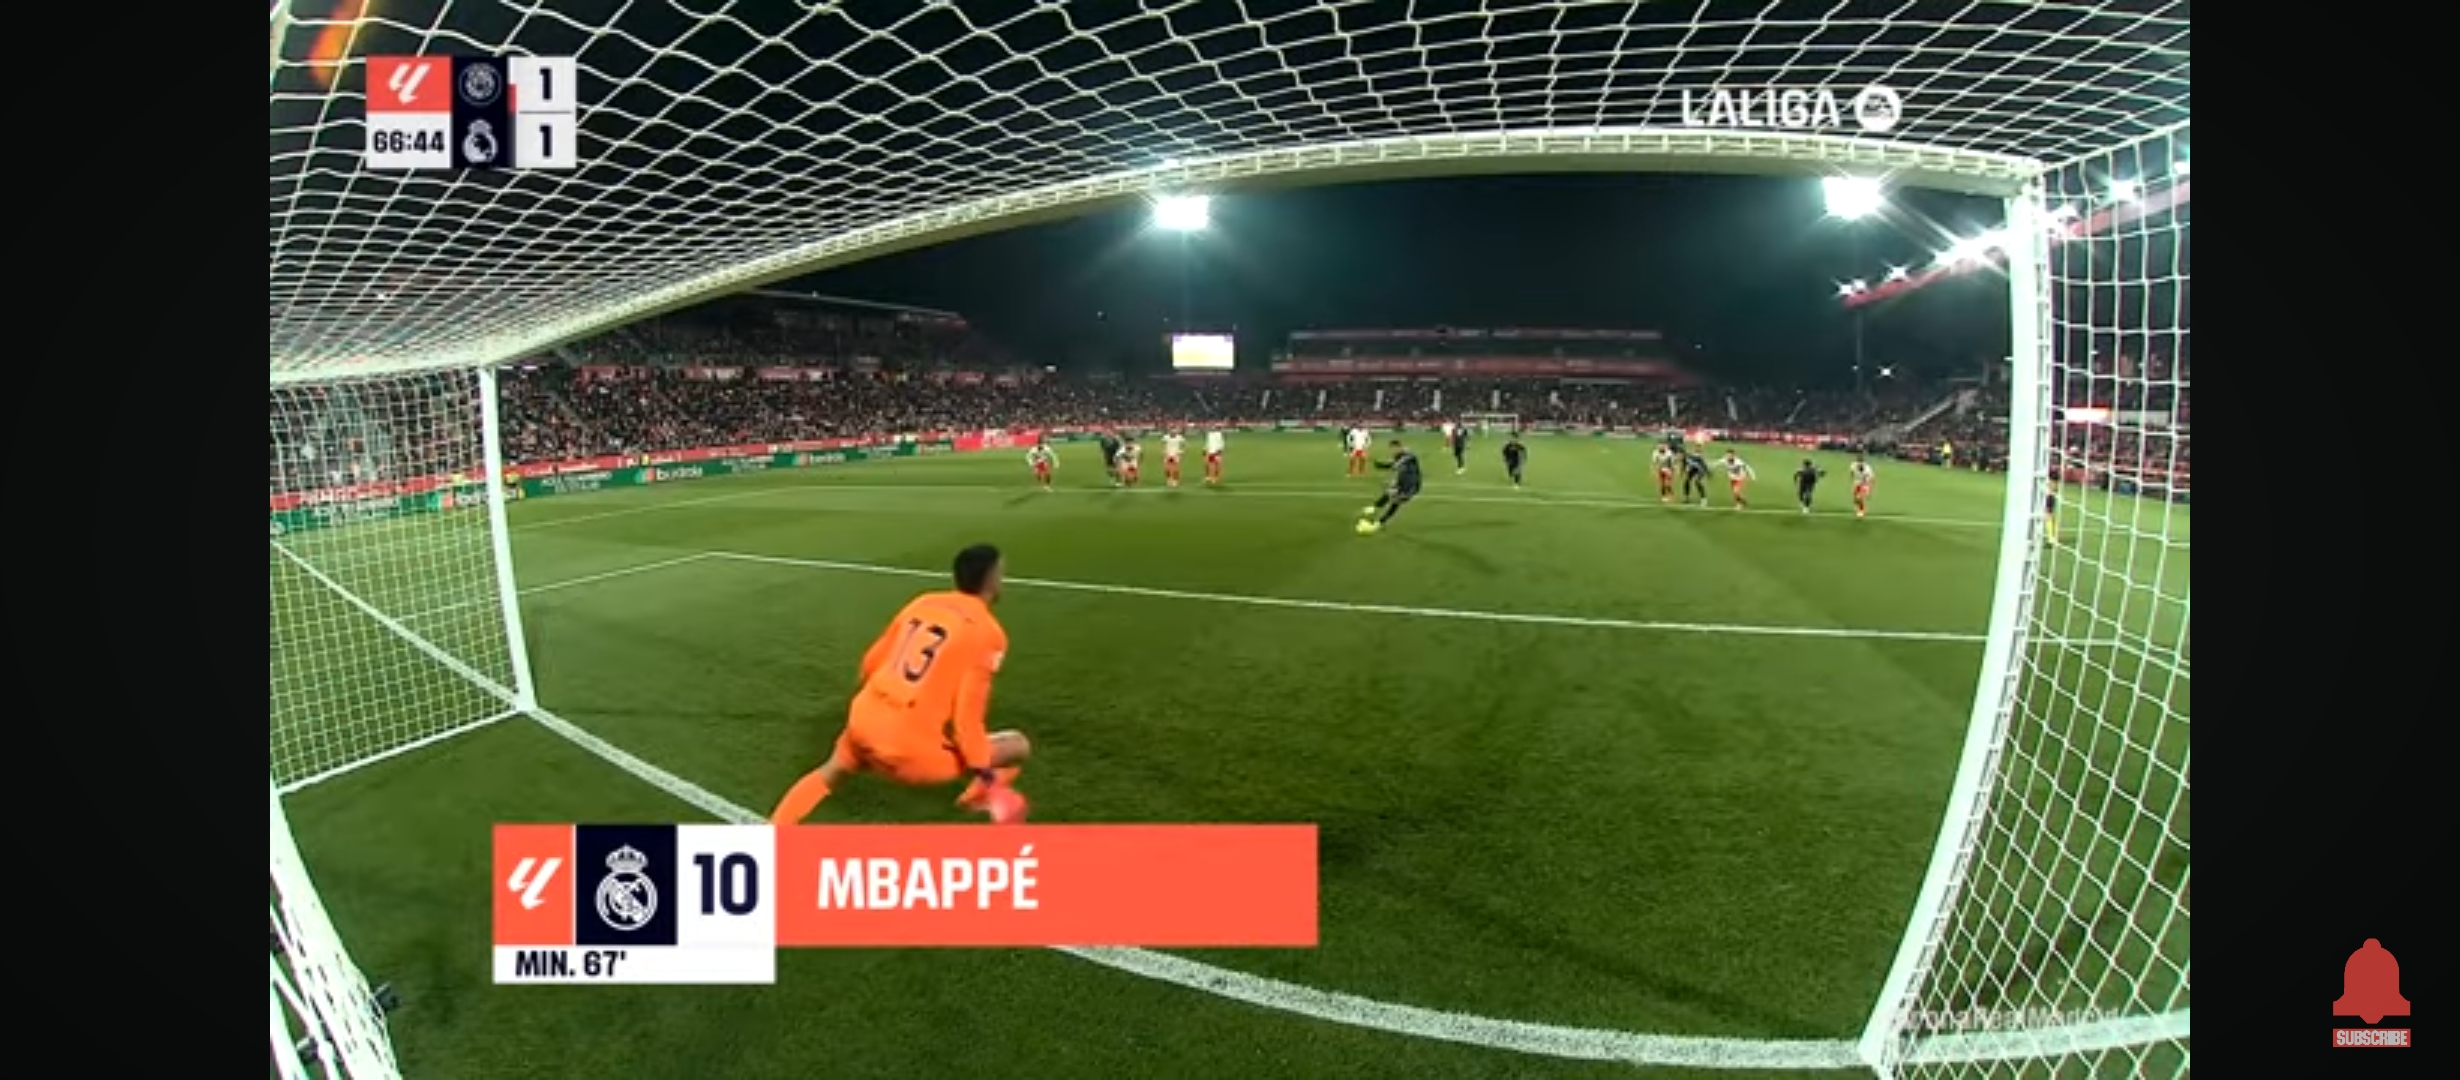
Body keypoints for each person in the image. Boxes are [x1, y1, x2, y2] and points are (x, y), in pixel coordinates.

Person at [769, 544, 1031, 825]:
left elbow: (871, 661)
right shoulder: (989, 634)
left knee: (829, 773)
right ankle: (984, 791)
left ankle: (771, 830)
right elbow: (967, 719)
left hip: (863, 720)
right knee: (1018, 745)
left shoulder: (924, 602)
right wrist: (986, 775)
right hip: (909, 755)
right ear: (992, 579)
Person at [1356, 439, 1424, 534]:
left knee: (1395, 502)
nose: (1393, 451)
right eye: (1391, 449)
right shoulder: (1398, 456)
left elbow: (1395, 465)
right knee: (1389, 493)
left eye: (1395, 448)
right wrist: (1377, 464)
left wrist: (1382, 464)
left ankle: (1379, 523)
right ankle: (1374, 508)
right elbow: (1391, 465)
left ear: (1400, 447)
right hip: (1402, 483)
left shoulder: (1409, 455)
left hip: (1411, 486)